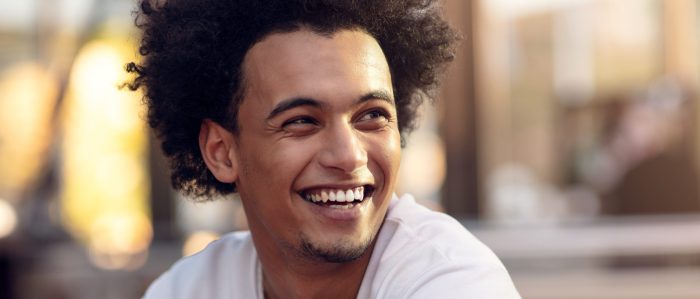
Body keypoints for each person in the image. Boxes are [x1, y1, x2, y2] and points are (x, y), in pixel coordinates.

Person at [127, 0, 521, 298]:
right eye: (301, 121)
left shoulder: (452, 281)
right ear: (220, 151)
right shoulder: (188, 289)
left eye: (371, 116)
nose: (350, 156)